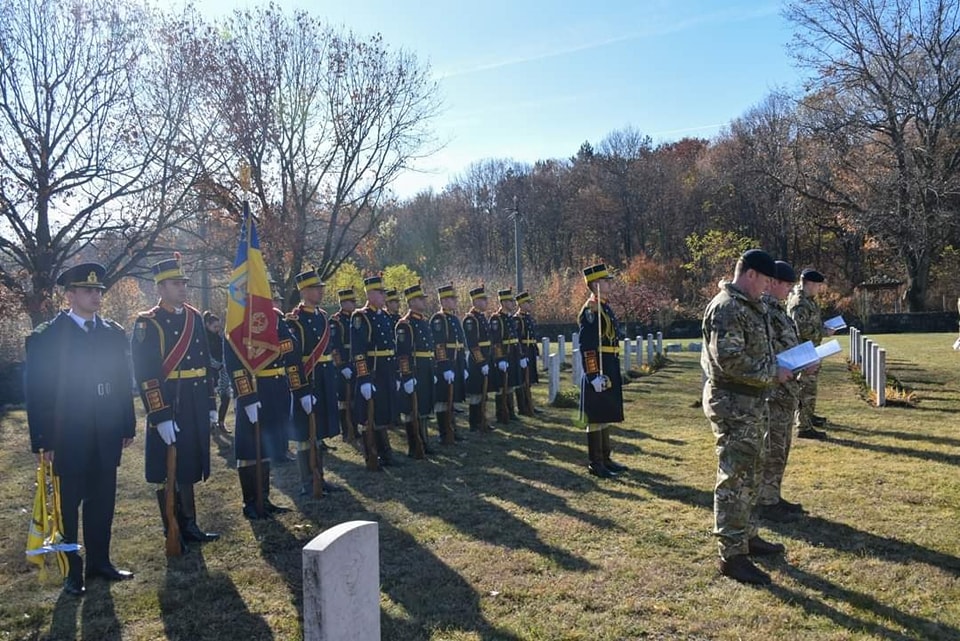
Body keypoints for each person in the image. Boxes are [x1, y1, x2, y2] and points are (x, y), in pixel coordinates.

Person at [25, 263, 136, 596]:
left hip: (105, 429)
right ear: (70, 295)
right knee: (67, 506)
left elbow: (121, 381)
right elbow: (37, 393)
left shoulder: (112, 332)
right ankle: (72, 571)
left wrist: (127, 423)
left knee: (102, 500)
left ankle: (100, 561)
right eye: (88, 290)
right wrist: (43, 440)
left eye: (98, 290)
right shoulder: (48, 337)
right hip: (66, 433)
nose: (95, 295)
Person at [701, 249, 791, 586]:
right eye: (766, 280)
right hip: (733, 404)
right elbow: (730, 360)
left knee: (752, 474)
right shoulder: (726, 308)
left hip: (752, 403)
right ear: (750, 274)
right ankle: (731, 555)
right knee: (734, 479)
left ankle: (747, 537)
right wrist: (774, 371)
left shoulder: (750, 306)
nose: (768, 287)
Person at [131, 254, 220, 549]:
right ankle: (171, 525)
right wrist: (160, 414)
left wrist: (209, 402)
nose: (182, 288)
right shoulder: (148, 323)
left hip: (194, 399)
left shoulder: (194, 316)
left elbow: (206, 364)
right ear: (160, 288)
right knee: (166, 468)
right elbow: (147, 374)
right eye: (175, 283)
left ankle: (190, 524)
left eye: (183, 282)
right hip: (171, 402)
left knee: (189, 463)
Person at [224, 296, 309, 519]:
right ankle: (251, 502)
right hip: (255, 388)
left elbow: (292, 350)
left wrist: (300, 388)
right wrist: (246, 397)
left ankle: (264, 498)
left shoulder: (276, 316)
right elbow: (233, 363)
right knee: (250, 446)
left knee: (267, 444)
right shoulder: (238, 319)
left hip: (277, 387)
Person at [757, 261, 807, 523]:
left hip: (787, 388)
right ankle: (765, 501)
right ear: (773, 282)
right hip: (773, 391)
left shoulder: (778, 310)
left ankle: (774, 494)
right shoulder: (764, 310)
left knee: (782, 445)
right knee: (772, 446)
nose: (789, 290)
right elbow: (765, 349)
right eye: (786, 285)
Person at [285, 269, 342, 495]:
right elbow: (292, 361)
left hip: (325, 380)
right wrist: (302, 391)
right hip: (307, 384)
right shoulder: (294, 321)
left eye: (321, 288)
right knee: (305, 436)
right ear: (305, 291)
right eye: (316, 289)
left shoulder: (321, 316)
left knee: (317, 433)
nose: (320, 292)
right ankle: (308, 481)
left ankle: (320, 476)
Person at [578, 264, 627, 478]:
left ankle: (606, 458)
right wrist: (592, 375)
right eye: (606, 281)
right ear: (596, 284)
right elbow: (587, 346)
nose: (610, 283)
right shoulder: (590, 310)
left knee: (604, 414)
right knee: (595, 417)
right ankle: (595, 463)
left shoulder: (604, 306)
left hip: (609, 364)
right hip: (598, 367)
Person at [351, 275, 400, 468]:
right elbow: (358, 351)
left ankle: (386, 454)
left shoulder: (385, 316)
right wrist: (363, 378)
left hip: (386, 371)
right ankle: (372, 454)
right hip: (373, 373)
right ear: (370, 294)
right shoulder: (360, 317)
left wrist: (395, 373)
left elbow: (392, 348)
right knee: (369, 416)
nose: (383, 296)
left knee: (382, 413)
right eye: (380, 293)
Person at [788, 268, 831, 439]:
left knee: (809, 387)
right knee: (806, 387)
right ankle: (803, 427)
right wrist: (822, 332)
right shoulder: (799, 302)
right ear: (809, 283)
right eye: (817, 285)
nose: (819, 289)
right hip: (802, 351)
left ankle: (808, 417)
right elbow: (801, 329)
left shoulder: (809, 300)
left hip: (810, 349)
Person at [395, 282, 437, 456]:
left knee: (424, 407)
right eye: (420, 299)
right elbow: (403, 353)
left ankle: (424, 440)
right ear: (411, 302)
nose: (423, 301)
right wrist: (406, 376)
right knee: (413, 410)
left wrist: (432, 369)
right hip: (415, 370)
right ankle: (415, 445)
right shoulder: (405, 324)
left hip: (426, 368)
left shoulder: (423, 321)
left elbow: (430, 348)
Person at [431, 284, 467, 443]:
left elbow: (461, 343)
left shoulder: (453, 318)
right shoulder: (439, 319)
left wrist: (463, 365)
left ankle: (452, 428)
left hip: (456, 362)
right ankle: (444, 433)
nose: (455, 301)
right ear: (444, 301)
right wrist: (445, 367)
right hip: (445, 365)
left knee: (452, 399)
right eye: (452, 299)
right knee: (443, 399)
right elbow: (439, 345)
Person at [462, 285, 492, 432]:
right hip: (476, 361)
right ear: (475, 301)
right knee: (475, 394)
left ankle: (482, 420)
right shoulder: (470, 319)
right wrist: (481, 362)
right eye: (483, 299)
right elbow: (473, 344)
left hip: (485, 359)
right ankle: (474, 423)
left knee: (483, 392)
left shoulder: (481, 317)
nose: (486, 302)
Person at [489, 288, 521, 425]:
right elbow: (495, 341)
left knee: (511, 384)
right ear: (502, 302)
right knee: (502, 385)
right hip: (504, 354)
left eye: (512, 300)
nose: (512, 303)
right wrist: (500, 359)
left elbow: (515, 338)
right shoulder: (496, 319)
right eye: (509, 301)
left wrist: (520, 355)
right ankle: (501, 413)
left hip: (512, 354)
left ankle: (510, 411)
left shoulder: (509, 318)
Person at [331, 288, 357, 442]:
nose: (354, 304)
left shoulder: (354, 318)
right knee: (343, 400)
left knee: (353, 398)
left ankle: (354, 427)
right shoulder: (336, 321)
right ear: (344, 303)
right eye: (351, 302)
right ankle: (346, 430)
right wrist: (341, 366)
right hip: (343, 365)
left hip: (353, 363)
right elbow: (334, 347)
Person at [203, 311, 231, 435]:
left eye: (218, 327)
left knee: (226, 397)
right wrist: (217, 365)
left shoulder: (219, 337)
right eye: (215, 327)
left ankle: (221, 422)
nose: (217, 329)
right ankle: (211, 423)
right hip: (211, 373)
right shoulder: (204, 338)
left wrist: (224, 364)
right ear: (208, 325)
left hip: (223, 371)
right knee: (211, 399)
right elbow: (206, 356)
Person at [514, 290, 538, 415]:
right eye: (527, 303)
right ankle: (522, 406)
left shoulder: (528, 317)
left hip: (530, 350)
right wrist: (521, 355)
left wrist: (536, 351)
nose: (530, 305)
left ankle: (529, 403)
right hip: (523, 351)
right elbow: (517, 339)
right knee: (523, 379)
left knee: (530, 379)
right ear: (521, 304)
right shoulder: (517, 319)